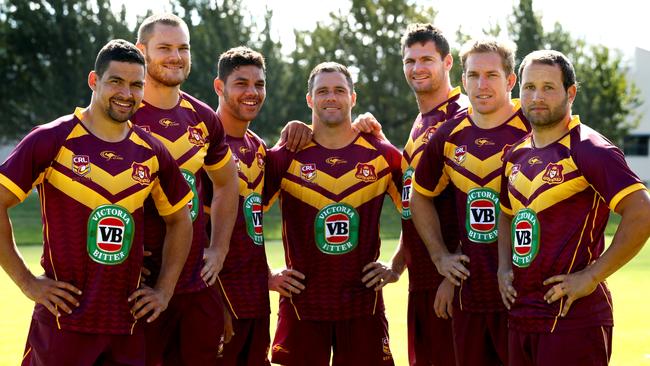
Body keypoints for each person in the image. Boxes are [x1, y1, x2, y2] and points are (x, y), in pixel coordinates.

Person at [0, 39, 193, 366]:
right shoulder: (52, 139)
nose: (126, 93)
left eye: (136, 85)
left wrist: (164, 289)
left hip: (127, 324)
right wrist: (27, 281)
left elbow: (180, 219)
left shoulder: (152, 152)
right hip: (63, 321)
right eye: (116, 81)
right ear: (94, 81)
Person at [497, 49, 650, 366]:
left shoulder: (590, 149)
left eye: (549, 87)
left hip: (573, 319)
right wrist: (503, 267)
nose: (537, 96)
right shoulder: (514, 155)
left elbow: (642, 212)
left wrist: (592, 276)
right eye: (529, 87)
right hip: (522, 316)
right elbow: (507, 214)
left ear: (571, 93)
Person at [264, 62, 402, 366]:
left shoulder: (383, 154)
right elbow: (243, 218)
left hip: (364, 305)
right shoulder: (284, 155)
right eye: (322, 91)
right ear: (309, 100)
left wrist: (396, 265)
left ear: (353, 99)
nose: (331, 97)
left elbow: (419, 212)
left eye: (339, 90)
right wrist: (265, 274)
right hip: (302, 305)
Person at [354, 23, 468, 366]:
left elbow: (480, 206)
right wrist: (398, 265)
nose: (417, 68)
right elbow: (415, 207)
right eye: (410, 61)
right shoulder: (421, 123)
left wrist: (452, 275)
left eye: (426, 59)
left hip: (457, 285)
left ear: (448, 63)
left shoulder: (462, 115)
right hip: (424, 283)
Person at [411, 38, 530, 366]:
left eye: (491, 75)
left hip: (525, 292)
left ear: (510, 80)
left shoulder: (535, 126)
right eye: (473, 75)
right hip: (472, 293)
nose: (482, 84)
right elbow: (420, 196)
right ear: (463, 81)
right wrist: (442, 259)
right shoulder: (449, 135)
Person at [130, 14, 239, 366]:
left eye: (183, 48)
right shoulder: (120, 113)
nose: (176, 56)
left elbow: (226, 183)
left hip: (194, 283)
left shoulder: (204, 117)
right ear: (141, 51)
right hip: (138, 287)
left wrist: (218, 249)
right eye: (165, 48)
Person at [211, 46, 311, 365]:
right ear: (219, 87)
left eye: (259, 84)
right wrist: (215, 305)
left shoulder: (257, 148)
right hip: (217, 307)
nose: (252, 92)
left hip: (255, 304)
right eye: (241, 83)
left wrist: (267, 276)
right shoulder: (202, 146)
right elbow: (190, 234)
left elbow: (247, 227)